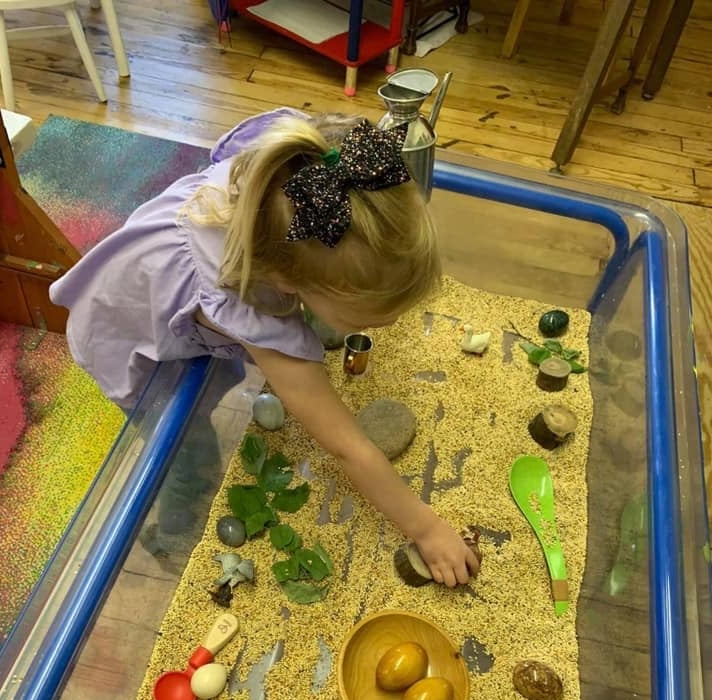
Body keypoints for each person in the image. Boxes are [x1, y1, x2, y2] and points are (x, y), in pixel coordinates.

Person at [49, 108, 480, 587]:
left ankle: (327, 320)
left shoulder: (295, 167)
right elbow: (346, 447)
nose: (387, 325)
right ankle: (174, 534)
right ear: (286, 283)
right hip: (130, 341)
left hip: (177, 285)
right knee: (186, 453)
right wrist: (426, 526)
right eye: (371, 317)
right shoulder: (244, 306)